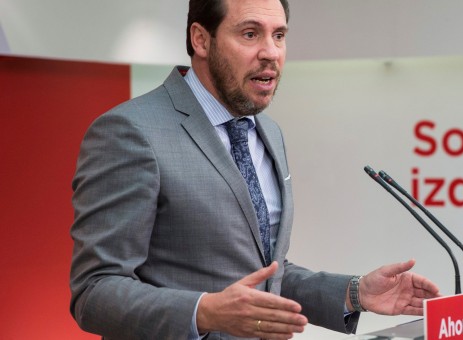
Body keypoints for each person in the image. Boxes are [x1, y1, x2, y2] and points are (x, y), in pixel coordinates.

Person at [69, 0, 441, 339]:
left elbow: (267, 273)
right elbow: (95, 291)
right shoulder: (131, 132)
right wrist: (204, 312)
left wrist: (354, 292)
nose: (270, 53)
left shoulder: (267, 132)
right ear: (201, 39)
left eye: (279, 36)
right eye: (250, 34)